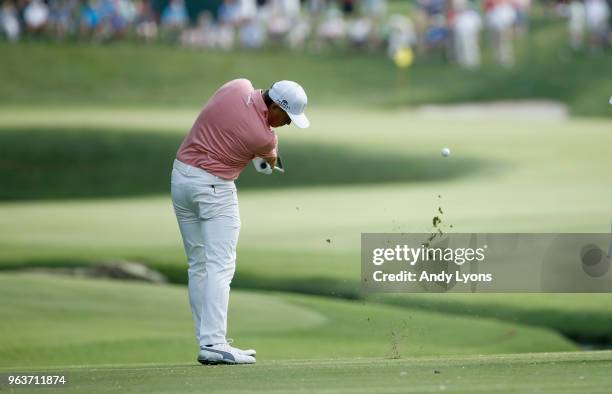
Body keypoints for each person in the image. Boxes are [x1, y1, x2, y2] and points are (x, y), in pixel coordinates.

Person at [171, 79, 309, 365]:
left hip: (181, 178)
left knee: (198, 263)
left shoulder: (237, 85)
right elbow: (269, 163)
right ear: (274, 107)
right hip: (213, 188)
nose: (287, 124)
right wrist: (269, 157)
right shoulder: (265, 137)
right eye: (287, 118)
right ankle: (214, 342)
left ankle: (207, 340)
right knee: (220, 266)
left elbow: (225, 117)